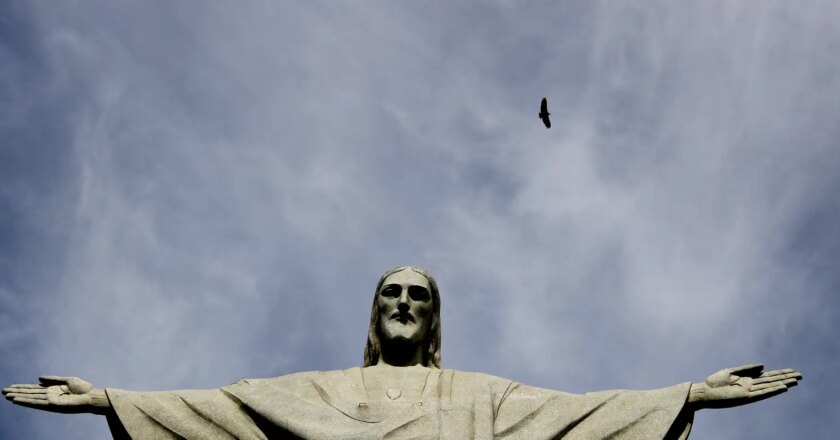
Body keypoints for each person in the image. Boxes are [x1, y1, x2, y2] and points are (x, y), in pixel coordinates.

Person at [3, 266, 802, 439]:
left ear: (434, 320)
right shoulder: (315, 390)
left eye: (421, 296)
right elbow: (225, 406)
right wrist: (111, 399)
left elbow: (572, 414)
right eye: (392, 292)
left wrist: (690, 393)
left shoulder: (478, 397)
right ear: (374, 310)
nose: (404, 303)